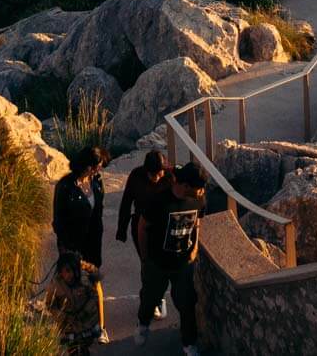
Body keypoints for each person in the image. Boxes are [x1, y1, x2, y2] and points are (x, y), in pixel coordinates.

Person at [138, 161, 208, 354]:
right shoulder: (159, 201)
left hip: (183, 263)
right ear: (185, 186)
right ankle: (143, 323)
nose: (202, 192)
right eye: (198, 188)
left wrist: (193, 250)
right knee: (150, 296)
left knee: (187, 303)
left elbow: (197, 223)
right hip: (157, 262)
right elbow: (142, 227)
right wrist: (145, 258)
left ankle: (189, 343)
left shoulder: (198, 199)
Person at [52, 146, 109, 344]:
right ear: (86, 165)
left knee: (94, 282)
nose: (98, 170)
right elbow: (58, 221)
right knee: (71, 287)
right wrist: (66, 250)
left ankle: (99, 327)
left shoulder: (97, 182)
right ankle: (69, 331)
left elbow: (98, 210)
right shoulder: (65, 186)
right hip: (72, 244)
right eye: (96, 166)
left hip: (93, 241)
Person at [116, 150, 173, 319]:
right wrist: (121, 229)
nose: (156, 177)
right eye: (152, 174)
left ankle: (158, 297)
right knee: (147, 263)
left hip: (163, 227)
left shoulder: (170, 176)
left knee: (162, 264)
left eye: (159, 173)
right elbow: (126, 202)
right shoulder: (136, 176)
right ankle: (150, 300)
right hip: (141, 227)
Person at [45, 250, 104, 356]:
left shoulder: (84, 280)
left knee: (84, 347)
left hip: (86, 322)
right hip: (69, 325)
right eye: (63, 272)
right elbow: (50, 304)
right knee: (73, 349)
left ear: (76, 270)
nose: (66, 275)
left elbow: (94, 296)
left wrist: (86, 311)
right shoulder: (56, 285)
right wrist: (61, 316)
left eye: (69, 271)